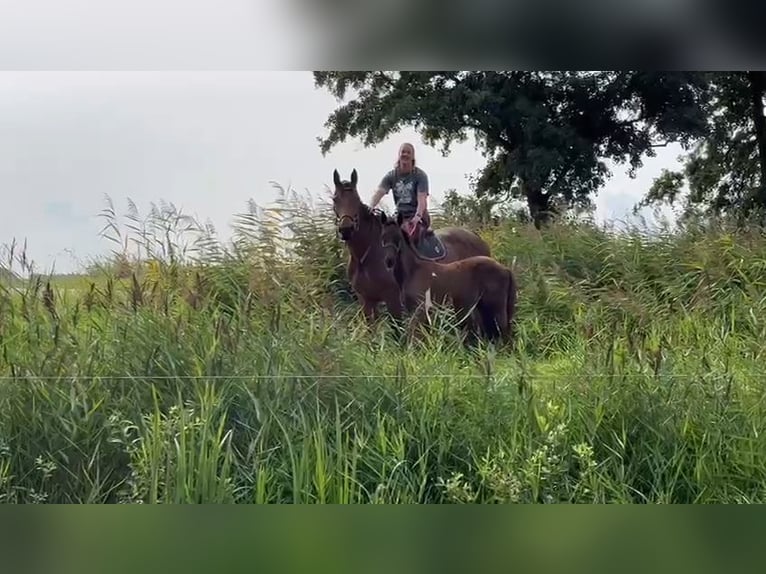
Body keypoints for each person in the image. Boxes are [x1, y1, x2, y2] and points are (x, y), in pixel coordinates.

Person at [370, 142, 430, 242]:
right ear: (399, 155)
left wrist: (417, 217)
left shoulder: (420, 176)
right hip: (400, 217)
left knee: (410, 237)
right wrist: (371, 206)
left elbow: (422, 200)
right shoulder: (391, 176)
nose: (405, 154)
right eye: (403, 152)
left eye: (408, 152)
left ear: (412, 157)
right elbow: (379, 192)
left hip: (417, 217)